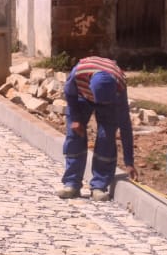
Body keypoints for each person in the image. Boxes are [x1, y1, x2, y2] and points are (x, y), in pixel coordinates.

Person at [57, 56, 138, 201]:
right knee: (75, 136)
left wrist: (129, 162)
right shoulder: (78, 73)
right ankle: (72, 183)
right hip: (82, 97)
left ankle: (99, 185)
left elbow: (124, 124)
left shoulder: (119, 87)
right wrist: (75, 119)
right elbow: (69, 94)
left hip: (110, 103)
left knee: (106, 137)